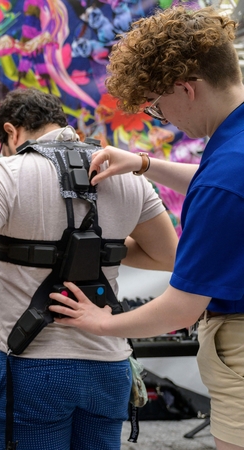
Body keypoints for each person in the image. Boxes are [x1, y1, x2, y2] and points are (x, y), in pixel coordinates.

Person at [49, 7, 244, 450]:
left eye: (157, 106)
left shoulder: (225, 180)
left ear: (185, 88)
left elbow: (180, 309)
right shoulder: (233, 150)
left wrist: (101, 323)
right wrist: (144, 163)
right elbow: (217, 179)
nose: (162, 116)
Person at [0, 88, 177, 449]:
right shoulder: (126, 173)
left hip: (34, 366)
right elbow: (167, 255)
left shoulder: (7, 171)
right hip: (109, 364)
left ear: (11, 131)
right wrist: (99, 251)